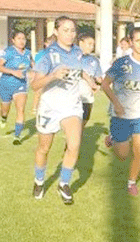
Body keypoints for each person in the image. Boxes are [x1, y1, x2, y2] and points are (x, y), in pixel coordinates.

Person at [30, 16, 97, 205]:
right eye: (65, 30)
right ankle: (39, 181)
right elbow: (35, 85)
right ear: (57, 32)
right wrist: (53, 75)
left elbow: (80, 70)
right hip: (50, 107)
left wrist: (89, 81)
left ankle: (64, 183)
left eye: (73, 30)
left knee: (74, 144)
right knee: (44, 148)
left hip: (72, 106)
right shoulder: (47, 55)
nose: (70, 34)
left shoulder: (77, 52)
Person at [101, 27, 140, 197]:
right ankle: (113, 138)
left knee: (139, 150)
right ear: (131, 42)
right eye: (137, 40)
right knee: (122, 155)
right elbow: (105, 85)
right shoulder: (121, 63)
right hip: (121, 115)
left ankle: (131, 183)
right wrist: (116, 104)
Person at [0, 31, 33, 145]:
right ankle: (3, 118)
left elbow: (33, 66)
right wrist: (13, 72)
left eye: (24, 39)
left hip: (21, 85)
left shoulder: (28, 53)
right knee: (5, 110)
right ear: (13, 40)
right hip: (6, 85)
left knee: (20, 110)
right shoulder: (8, 52)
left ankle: (17, 136)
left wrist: (35, 74)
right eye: (19, 38)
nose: (22, 41)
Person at [78, 33, 103, 127]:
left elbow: (98, 78)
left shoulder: (94, 60)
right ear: (81, 43)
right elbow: (78, 71)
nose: (92, 47)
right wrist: (89, 81)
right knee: (75, 123)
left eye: (93, 45)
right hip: (74, 94)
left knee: (84, 121)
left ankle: (72, 141)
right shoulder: (73, 56)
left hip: (87, 96)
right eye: (89, 44)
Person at [32, 35, 56, 114]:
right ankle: (35, 108)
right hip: (43, 75)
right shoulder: (42, 53)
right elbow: (37, 64)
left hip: (53, 76)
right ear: (45, 44)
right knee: (38, 91)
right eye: (48, 43)